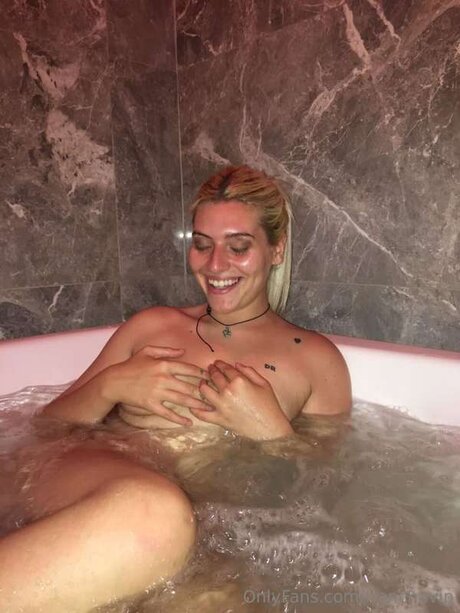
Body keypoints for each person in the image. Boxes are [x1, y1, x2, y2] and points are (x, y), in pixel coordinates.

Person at [0, 165, 351, 612]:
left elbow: (333, 485)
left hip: (192, 528)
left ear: (276, 248)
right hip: (88, 481)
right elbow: (45, 427)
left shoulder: (317, 361)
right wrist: (112, 385)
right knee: (153, 512)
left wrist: (274, 433)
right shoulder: (153, 325)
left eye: (238, 247)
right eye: (202, 245)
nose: (215, 265)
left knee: (219, 600)